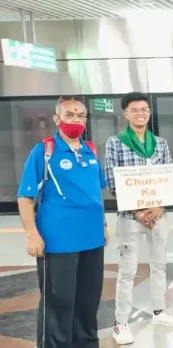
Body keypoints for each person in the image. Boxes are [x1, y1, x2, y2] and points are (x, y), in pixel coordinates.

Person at [17, 96, 108, 348]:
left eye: (80, 115)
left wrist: (103, 225)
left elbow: (96, 192)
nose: (76, 120)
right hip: (58, 242)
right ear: (57, 119)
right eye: (69, 115)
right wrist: (31, 234)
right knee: (58, 304)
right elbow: (25, 197)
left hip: (92, 240)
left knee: (88, 302)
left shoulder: (91, 151)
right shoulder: (44, 151)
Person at [105, 92, 173, 344]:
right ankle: (121, 323)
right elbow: (112, 180)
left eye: (145, 109)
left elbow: (167, 178)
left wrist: (159, 208)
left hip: (158, 216)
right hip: (130, 217)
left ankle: (160, 311)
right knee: (127, 270)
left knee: (159, 264)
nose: (141, 113)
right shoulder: (115, 143)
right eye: (135, 109)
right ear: (126, 114)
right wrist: (138, 210)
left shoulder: (159, 143)